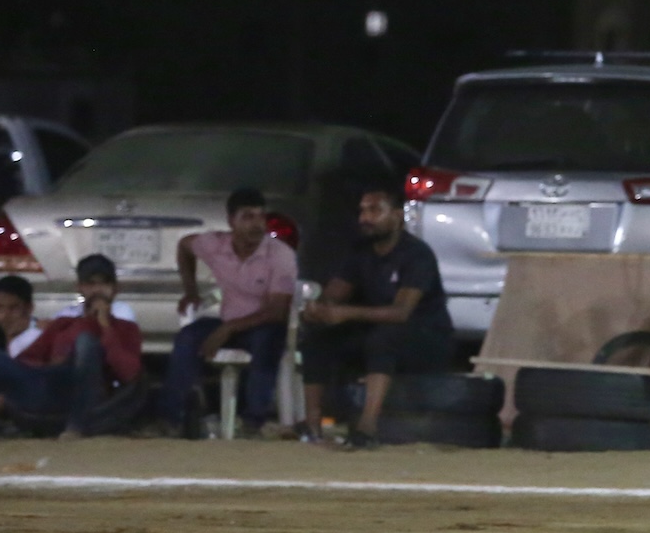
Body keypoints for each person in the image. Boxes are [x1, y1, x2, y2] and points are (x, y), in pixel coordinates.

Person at [299, 185, 457, 449]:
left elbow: (401, 312)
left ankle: (367, 427)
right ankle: (312, 425)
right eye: (362, 211)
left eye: (374, 211)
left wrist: (345, 313)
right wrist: (319, 309)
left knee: (383, 339)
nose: (365, 218)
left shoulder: (417, 254)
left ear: (397, 215)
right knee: (316, 337)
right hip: (378, 330)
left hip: (426, 338)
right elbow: (336, 292)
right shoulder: (360, 251)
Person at [0, 255, 139, 439]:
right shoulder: (64, 323)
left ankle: (75, 428)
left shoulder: (125, 328)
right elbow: (30, 358)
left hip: (80, 391)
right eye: (90, 284)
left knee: (86, 341)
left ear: (115, 289)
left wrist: (105, 326)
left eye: (104, 283)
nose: (97, 290)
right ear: (80, 288)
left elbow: (128, 374)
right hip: (47, 384)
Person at [157, 187, 298, 435]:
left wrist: (228, 328)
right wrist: (191, 291)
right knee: (187, 338)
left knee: (269, 340)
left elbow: (277, 311)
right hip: (229, 322)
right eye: (248, 217)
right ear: (231, 221)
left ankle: (253, 421)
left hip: (261, 324)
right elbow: (184, 246)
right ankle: (173, 419)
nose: (257, 224)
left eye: (260, 216)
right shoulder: (216, 244)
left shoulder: (279, 254)